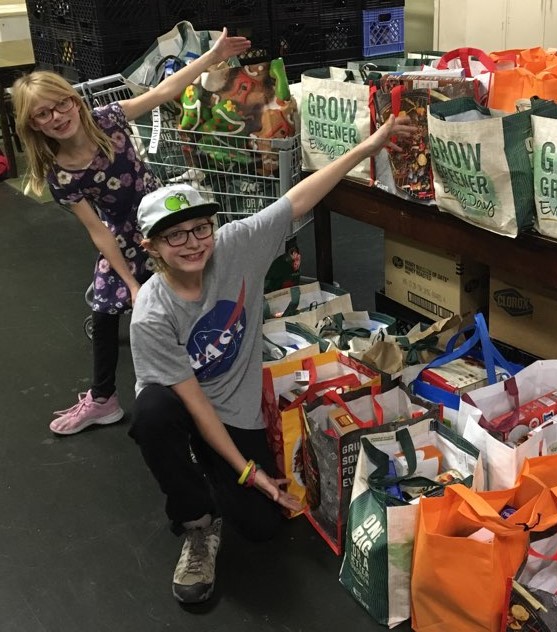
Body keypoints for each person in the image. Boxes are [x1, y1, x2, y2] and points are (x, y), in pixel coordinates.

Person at [129, 115, 413, 604]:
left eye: (200, 229)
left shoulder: (236, 246)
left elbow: (299, 197)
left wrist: (370, 145)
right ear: (149, 245)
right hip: (184, 406)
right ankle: (197, 522)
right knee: (152, 415)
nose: (193, 243)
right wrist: (247, 471)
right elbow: (193, 401)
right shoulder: (151, 314)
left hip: (234, 409)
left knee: (262, 529)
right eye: (174, 236)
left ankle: (213, 467)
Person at [12, 29, 252, 436]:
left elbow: (165, 90)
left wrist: (211, 56)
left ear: (75, 101)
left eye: (62, 103)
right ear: (31, 124)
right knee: (104, 307)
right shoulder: (60, 174)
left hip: (164, 221)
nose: (57, 116)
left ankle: (215, 373)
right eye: (42, 113)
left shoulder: (109, 120)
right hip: (123, 236)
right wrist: (129, 283)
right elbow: (98, 233)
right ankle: (103, 398)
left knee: (195, 290)